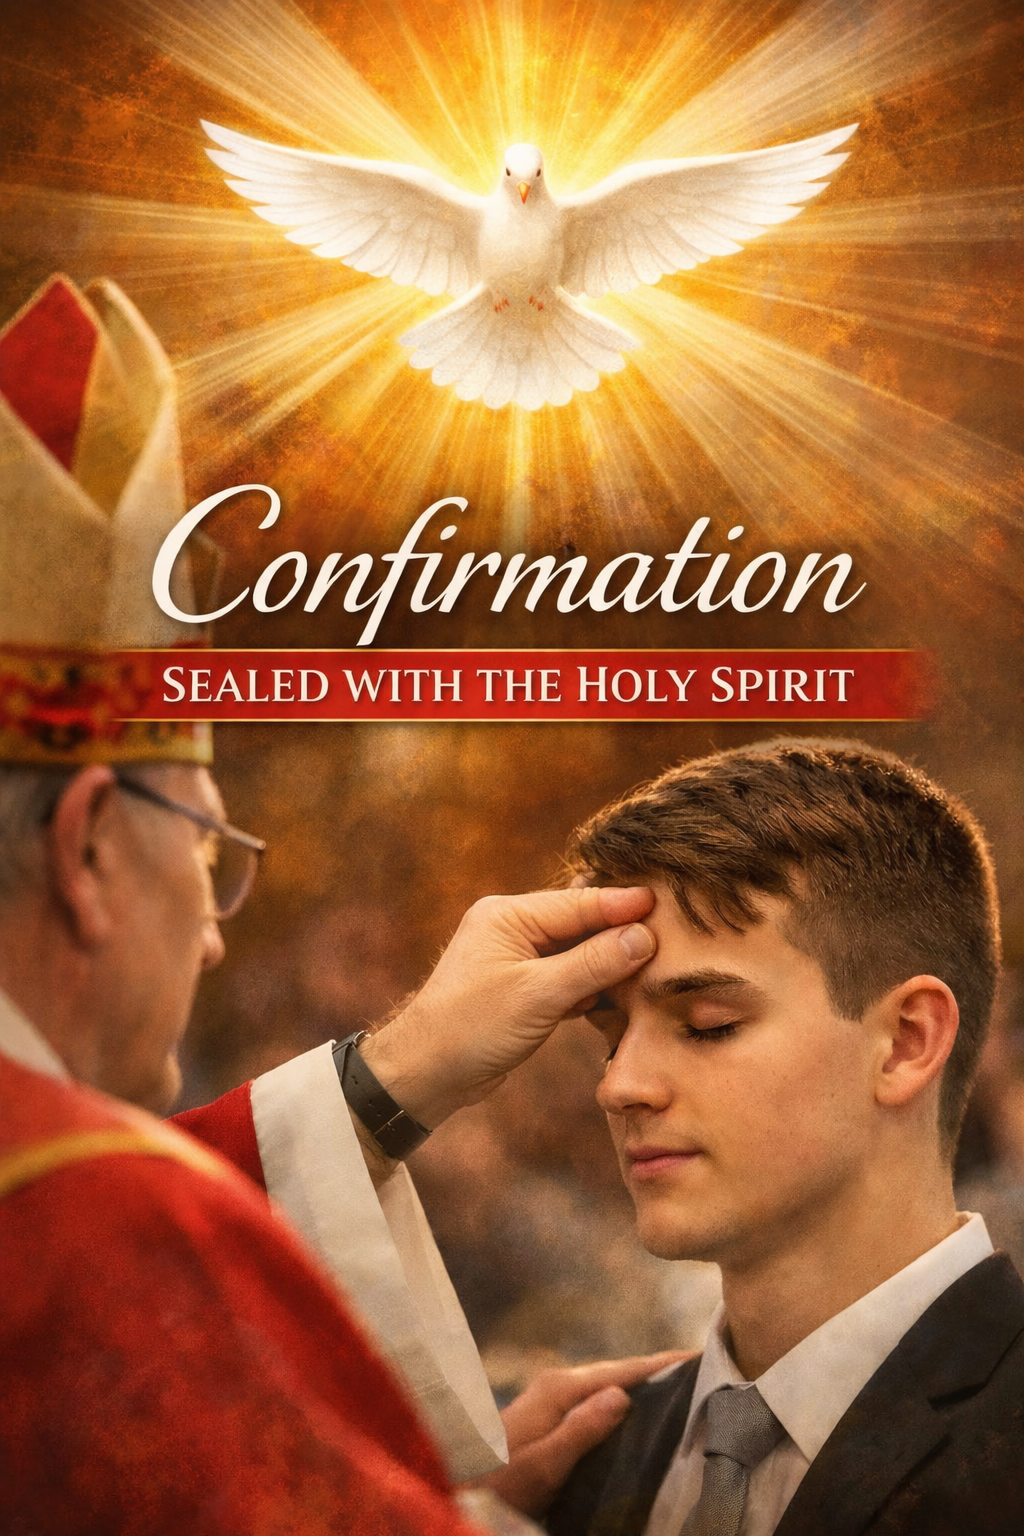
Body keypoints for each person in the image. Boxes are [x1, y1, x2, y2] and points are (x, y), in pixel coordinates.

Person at [0, 272, 678, 1533]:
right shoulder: (88, 1222)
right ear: (89, 847)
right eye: (209, 856)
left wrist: (389, 1075)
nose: (213, 932)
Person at [545, 738, 1024, 1536]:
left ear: (906, 1041)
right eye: (610, 1033)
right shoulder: (580, 1466)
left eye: (708, 1026)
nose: (619, 1085)